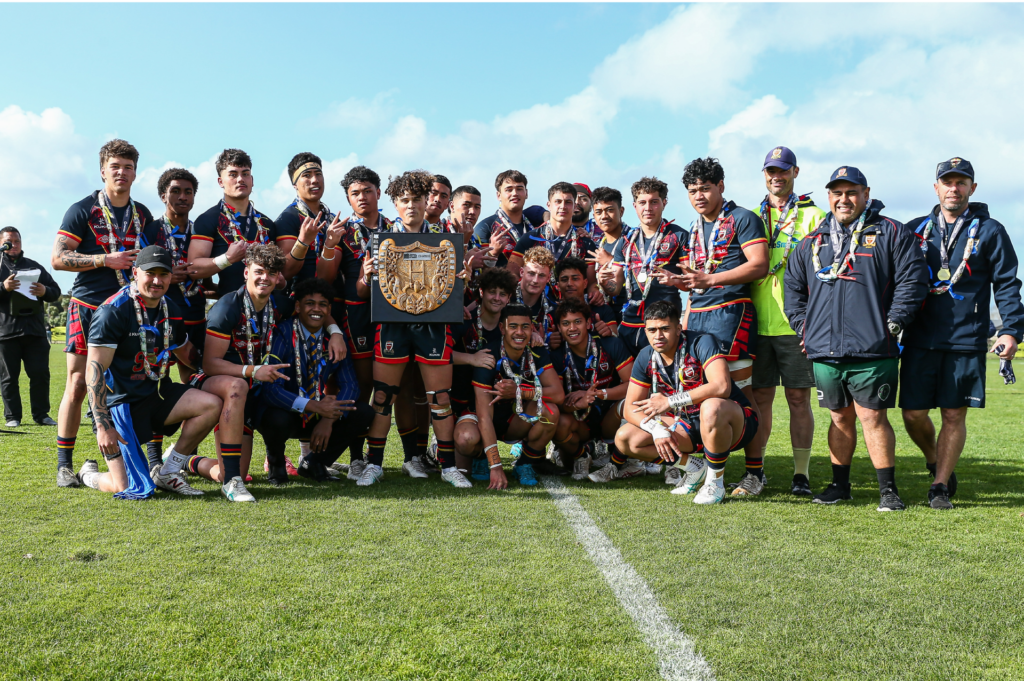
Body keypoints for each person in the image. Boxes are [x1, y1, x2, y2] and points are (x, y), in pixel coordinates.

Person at [784, 166, 928, 512]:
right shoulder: (812, 241)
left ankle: (888, 490)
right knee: (838, 418)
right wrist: (805, 328)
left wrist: (893, 324)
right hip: (825, 351)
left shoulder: (891, 232)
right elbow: (793, 289)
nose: (843, 199)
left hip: (873, 349)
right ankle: (840, 485)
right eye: (837, 193)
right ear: (829, 197)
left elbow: (913, 280)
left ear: (866, 194)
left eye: (851, 192)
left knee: (873, 418)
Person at [900, 158, 1024, 509]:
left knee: (954, 415)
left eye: (961, 182)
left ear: (973, 188)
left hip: (966, 338)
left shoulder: (991, 231)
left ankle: (939, 486)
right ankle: (934, 459)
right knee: (913, 413)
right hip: (919, 336)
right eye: (947, 182)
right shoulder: (915, 229)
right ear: (936, 187)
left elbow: (1007, 284)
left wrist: (1011, 330)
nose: (954, 188)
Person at [183, 243, 346, 501]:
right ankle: (210, 470)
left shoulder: (279, 303)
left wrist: (334, 332)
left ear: (278, 277)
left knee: (238, 467)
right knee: (233, 471)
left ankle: (193, 462)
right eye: (259, 271)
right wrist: (253, 370)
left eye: (271, 273)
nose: (265, 278)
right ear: (246, 272)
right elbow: (211, 364)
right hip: (225, 386)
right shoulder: (227, 308)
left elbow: (315, 309)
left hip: (256, 388)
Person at [51, 139, 157, 488]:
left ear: (135, 172)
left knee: (137, 382)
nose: (122, 172)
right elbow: (58, 258)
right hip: (88, 306)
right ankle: (64, 465)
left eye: (128, 167)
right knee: (79, 383)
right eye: (115, 166)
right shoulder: (83, 209)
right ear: (102, 171)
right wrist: (103, 259)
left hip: (130, 311)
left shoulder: (143, 214)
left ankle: (149, 459)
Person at [78, 245, 219, 499]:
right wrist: (103, 425)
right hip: (118, 405)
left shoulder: (170, 309)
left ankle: (169, 470)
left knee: (211, 404)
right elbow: (95, 371)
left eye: (163, 274)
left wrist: (225, 367)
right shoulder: (113, 311)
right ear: (135, 272)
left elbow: (187, 354)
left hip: (156, 396)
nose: (157, 280)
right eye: (150, 273)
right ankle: (88, 474)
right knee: (126, 487)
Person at [360, 170, 471, 489]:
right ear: (394, 203)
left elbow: (455, 291)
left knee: (440, 399)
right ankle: (374, 464)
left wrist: (463, 278)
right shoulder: (380, 240)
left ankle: (449, 466)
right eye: (404, 200)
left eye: (417, 199)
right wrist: (367, 276)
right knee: (382, 397)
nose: (411, 205)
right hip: (393, 326)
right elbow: (362, 289)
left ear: (427, 201)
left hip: (433, 327)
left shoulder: (447, 241)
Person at [675, 157, 769, 497]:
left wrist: (710, 278)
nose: (699, 195)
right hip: (698, 318)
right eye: (692, 190)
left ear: (721, 187)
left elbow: (759, 265)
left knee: (741, 394)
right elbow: (695, 281)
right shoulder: (695, 227)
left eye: (705, 188)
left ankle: (755, 473)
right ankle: (709, 466)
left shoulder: (743, 218)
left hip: (731, 314)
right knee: (701, 393)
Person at [614, 300, 760, 504]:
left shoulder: (701, 342)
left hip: (732, 422)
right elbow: (630, 408)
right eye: (652, 330)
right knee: (625, 438)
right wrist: (657, 429)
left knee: (711, 406)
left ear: (678, 328)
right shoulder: (646, 355)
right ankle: (694, 468)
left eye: (665, 328)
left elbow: (721, 387)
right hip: (688, 423)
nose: (658, 336)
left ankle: (714, 483)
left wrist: (670, 401)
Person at [749, 147, 827, 496]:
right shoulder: (749, 216)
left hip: (798, 325)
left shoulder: (815, 216)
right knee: (759, 397)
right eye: (770, 171)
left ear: (795, 172)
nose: (776, 177)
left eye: (783, 170)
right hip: (755, 323)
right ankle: (757, 470)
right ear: (763, 174)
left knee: (798, 399)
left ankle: (801, 474)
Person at [256, 277, 374, 484]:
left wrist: (329, 419)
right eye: (310, 303)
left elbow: (351, 385)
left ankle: (314, 463)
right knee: (274, 416)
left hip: (319, 415)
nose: (316, 309)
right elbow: (271, 390)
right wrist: (315, 406)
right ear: (298, 306)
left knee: (362, 412)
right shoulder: (281, 333)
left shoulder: (335, 340)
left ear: (329, 310)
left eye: (322, 304)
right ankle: (276, 468)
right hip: (287, 412)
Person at [316, 165, 392, 481]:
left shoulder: (396, 228)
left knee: (388, 390)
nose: (362, 197)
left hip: (393, 316)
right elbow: (327, 280)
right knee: (361, 389)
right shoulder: (344, 232)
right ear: (348, 199)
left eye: (367, 191)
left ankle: (407, 457)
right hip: (357, 316)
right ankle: (358, 458)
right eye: (355, 193)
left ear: (378, 193)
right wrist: (331, 248)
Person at [454, 304, 564, 487]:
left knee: (550, 413)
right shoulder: (488, 356)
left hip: (514, 419)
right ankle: (481, 457)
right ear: (502, 328)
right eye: (513, 326)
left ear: (532, 329)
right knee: (465, 439)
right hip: (482, 418)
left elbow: (558, 394)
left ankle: (523, 464)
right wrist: (496, 466)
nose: (519, 332)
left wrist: (520, 391)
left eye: (525, 327)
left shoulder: (537, 351)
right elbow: (484, 416)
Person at [146, 168, 205, 471]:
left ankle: (183, 453)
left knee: (196, 380)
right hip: (159, 313)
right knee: (158, 379)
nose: (182, 197)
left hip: (194, 313)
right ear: (163, 195)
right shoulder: (151, 229)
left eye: (188, 192)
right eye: (175, 191)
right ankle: (155, 455)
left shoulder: (201, 229)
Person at [600, 177, 688, 357]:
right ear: (634, 206)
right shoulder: (626, 241)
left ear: (664, 203)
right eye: (642, 202)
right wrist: (604, 282)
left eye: (654, 202)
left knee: (664, 380)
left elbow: (692, 284)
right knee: (634, 381)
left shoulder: (679, 235)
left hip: (663, 326)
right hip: (630, 325)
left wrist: (675, 281)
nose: (648, 208)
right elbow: (615, 289)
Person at [550, 299, 634, 481]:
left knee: (631, 404)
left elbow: (634, 385)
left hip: (609, 416)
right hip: (579, 419)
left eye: (577, 322)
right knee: (554, 418)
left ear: (588, 323)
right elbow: (555, 401)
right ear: (558, 327)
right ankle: (582, 455)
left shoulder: (610, 344)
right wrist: (576, 404)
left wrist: (597, 394)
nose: (572, 328)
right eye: (565, 324)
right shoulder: (556, 354)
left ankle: (627, 460)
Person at [188, 148, 282, 300]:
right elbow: (193, 269)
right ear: (220, 181)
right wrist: (227, 259)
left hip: (268, 308)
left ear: (252, 180)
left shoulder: (267, 224)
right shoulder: (208, 219)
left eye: (245, 174)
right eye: (233, 174)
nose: (240, 179)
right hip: (231, 309)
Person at [0, 226, 61, 426]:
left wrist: (44, 290)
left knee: (40, 375)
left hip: (35, 332)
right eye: (9, 241)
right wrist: (3, 287)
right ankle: (13, 417)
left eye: (17, 241)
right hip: (6, 333)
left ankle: (42, 415)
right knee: (9, 378)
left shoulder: (34, 266)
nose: (14, 245)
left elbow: (56, 292)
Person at [275, 152, 346, 288]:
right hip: (299, 303)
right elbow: (285, 272)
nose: (314, 180)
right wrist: (303, 242)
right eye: (306, 175)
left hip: (331, 303)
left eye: (318, 174)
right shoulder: (287, 218)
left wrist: (329, 246)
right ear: (294, 184)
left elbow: (329, 278)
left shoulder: (332, 220)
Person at [508, 182, 598, 287]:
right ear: (549, 205)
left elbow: (591, 284)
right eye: (558, 201)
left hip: (571, 301)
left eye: (568, 202)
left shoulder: (585, 243)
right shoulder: (531, 238)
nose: (563, 206)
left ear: (574, 206)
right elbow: (511, 276)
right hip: (535, 301)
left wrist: (594, 291)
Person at [474, 170, 532, 269]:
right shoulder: (485, 227)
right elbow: (478, 271)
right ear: (498, 195)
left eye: (519, 189)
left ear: (526, 193)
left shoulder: (535, 224)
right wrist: (493, 253)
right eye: (509, 190)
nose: (515, 193)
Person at [590, 186, 630, 323]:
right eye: (599, 212)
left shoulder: (634, 239)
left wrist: (611, 261)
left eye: (610, 210)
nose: (604, 216)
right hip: (608, 316)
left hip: (633, 314)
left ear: (621, 211)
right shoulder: (599, 244)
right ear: (593, 215)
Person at [515, 246, 558, 347]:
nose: (535, 280)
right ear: (521, 272)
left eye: (541, 275)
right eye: (531, 273)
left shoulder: (553, 310)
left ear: (548, 278)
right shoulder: (504, 299)